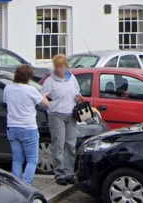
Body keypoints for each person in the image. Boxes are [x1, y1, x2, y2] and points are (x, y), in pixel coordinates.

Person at [3, 64, 48, 185]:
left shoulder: (8, 88)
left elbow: (5, 102)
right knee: (32, 160)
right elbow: (45, 104)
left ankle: (17, 185)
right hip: (28, 127)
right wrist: (43, 95)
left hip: (12, 127)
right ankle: (26, 185)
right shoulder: (31, 90)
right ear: (29, 77)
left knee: (17, 160)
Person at [41, 54, 82, 186]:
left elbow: (77, 91)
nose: (60, 69)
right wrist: (50, 105)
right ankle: (59, 173)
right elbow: (43, 97)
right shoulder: (49, 81)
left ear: (66, 66)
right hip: (56, 115)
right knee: (59, 143)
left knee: (70, 144)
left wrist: (78, 97)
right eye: (58, 66)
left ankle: (69, 173)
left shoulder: (72, 78)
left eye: (62, 66)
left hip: (71, 114)